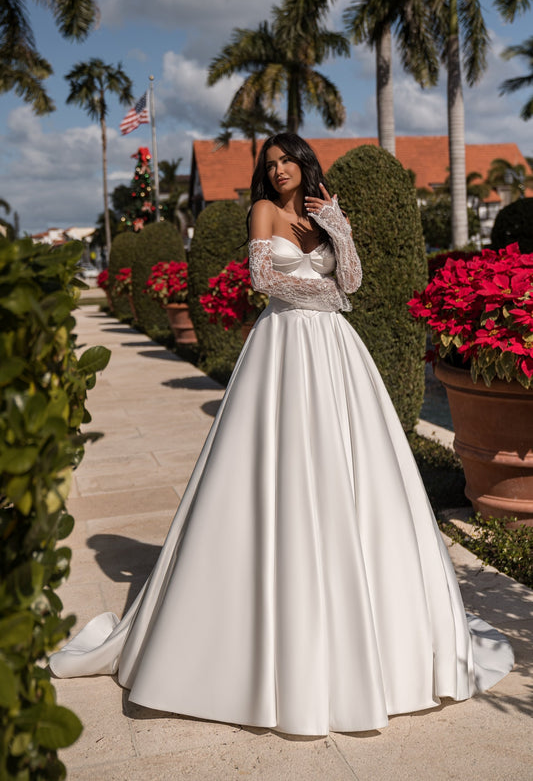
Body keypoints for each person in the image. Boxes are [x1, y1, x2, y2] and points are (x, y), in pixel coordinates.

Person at [50, 133, 513, 736]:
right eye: (270, 165)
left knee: (352, 469)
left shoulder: (322, 212)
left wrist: (340, 230)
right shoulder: (262, 212)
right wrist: (329, 295)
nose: (279, 171)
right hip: (285, 346)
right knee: (279, 464)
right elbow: (266, 281)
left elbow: (353, 278)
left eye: (287, 160)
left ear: (304, 164)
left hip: (336, 353)